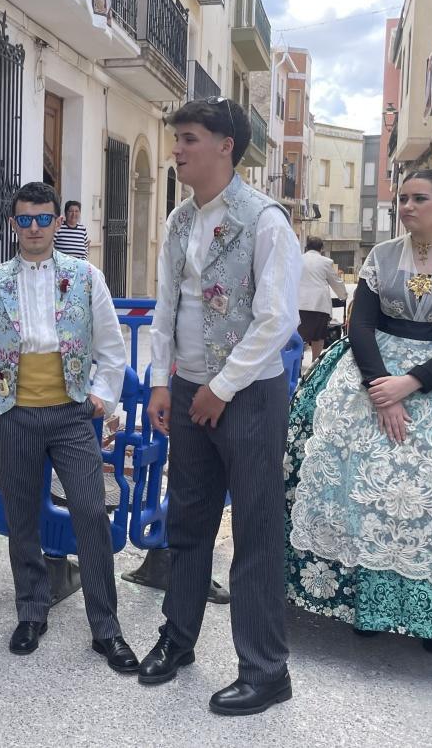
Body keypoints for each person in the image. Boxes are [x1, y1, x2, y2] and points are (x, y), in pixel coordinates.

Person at [286, 169, 432, 654]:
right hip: (372, 373)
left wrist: (411, 384)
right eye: (403, 198)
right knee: (358, 486)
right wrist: (378, 388)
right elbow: (361, 325)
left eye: (419, 198)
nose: (406, 206)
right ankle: (366, 606)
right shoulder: (380, 256)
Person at [141, 97, 301, 715]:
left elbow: (276, 319)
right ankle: (178, 638)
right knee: (187, 519)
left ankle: (266, 669)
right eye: (176, 138)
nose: (177, 149)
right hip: (188, 391)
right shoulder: (180, 220)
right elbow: (166, 305)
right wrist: (162, 381)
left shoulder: (265, 220)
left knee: (257, 530)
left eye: (188, 138)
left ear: (225, 145)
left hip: (249, 396)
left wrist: (221, 388)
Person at [0, 181, 137, 672]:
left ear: (57, 222)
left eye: (43, 219)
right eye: (25, 220)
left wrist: (102, 396)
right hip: (15, 416)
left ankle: (106, 628)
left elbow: (112, 349)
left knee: (92, 513)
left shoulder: (87, 277)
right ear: (14, 225)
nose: (34, 228)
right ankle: (31, 612)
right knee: (22, 518)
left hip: (72, 415)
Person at [298, 236, 347, 364]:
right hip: (318, 305)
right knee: (318, 336)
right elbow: (335, 281)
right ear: (321, 248)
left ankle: (297, 362)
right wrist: (343, 295)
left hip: (298, 304)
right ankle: (314, 363)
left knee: (299, 334)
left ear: (306, 247)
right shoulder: (325, 262)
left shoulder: (297, 259)